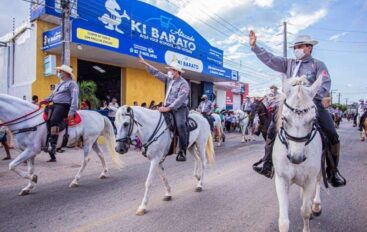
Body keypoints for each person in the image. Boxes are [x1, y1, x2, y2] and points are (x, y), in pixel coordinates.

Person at [249, 31, 346, 187]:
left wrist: (312, 97)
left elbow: (325, 83)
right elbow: (270, 59)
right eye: (295, 47)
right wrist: (255, 47)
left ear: (309, 48)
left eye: (300, 46)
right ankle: (267, 164)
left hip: (311, 103)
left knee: (332, 133)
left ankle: (333, 172)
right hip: (289, 104)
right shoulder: (288, 63)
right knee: (272, 129)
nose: (296, 49)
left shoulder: (318, 64)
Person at [139, 54, 190, 162]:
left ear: (177, 71)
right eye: (170, 70)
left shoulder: (184, 83)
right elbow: (157, 73)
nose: (170, 71)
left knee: (181, 125)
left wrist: (169, 108)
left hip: (179, 108)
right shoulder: (169, 80)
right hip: (166, 106)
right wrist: (146, 64)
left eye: (171, 70)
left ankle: (182, 151)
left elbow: (181, 99)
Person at [40, 64, 79, 162]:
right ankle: (47, 142)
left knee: (54, 120)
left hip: (63, 106)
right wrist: (42, 101)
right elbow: (51, 96)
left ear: (66, 73)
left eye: (60, 71)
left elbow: (75, 98)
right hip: (54, 105)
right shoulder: (59, 84)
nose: (59, 73)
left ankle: (53, 146)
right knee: (43, 119)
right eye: (59, 71)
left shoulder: (72, 84)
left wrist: (72, 111)